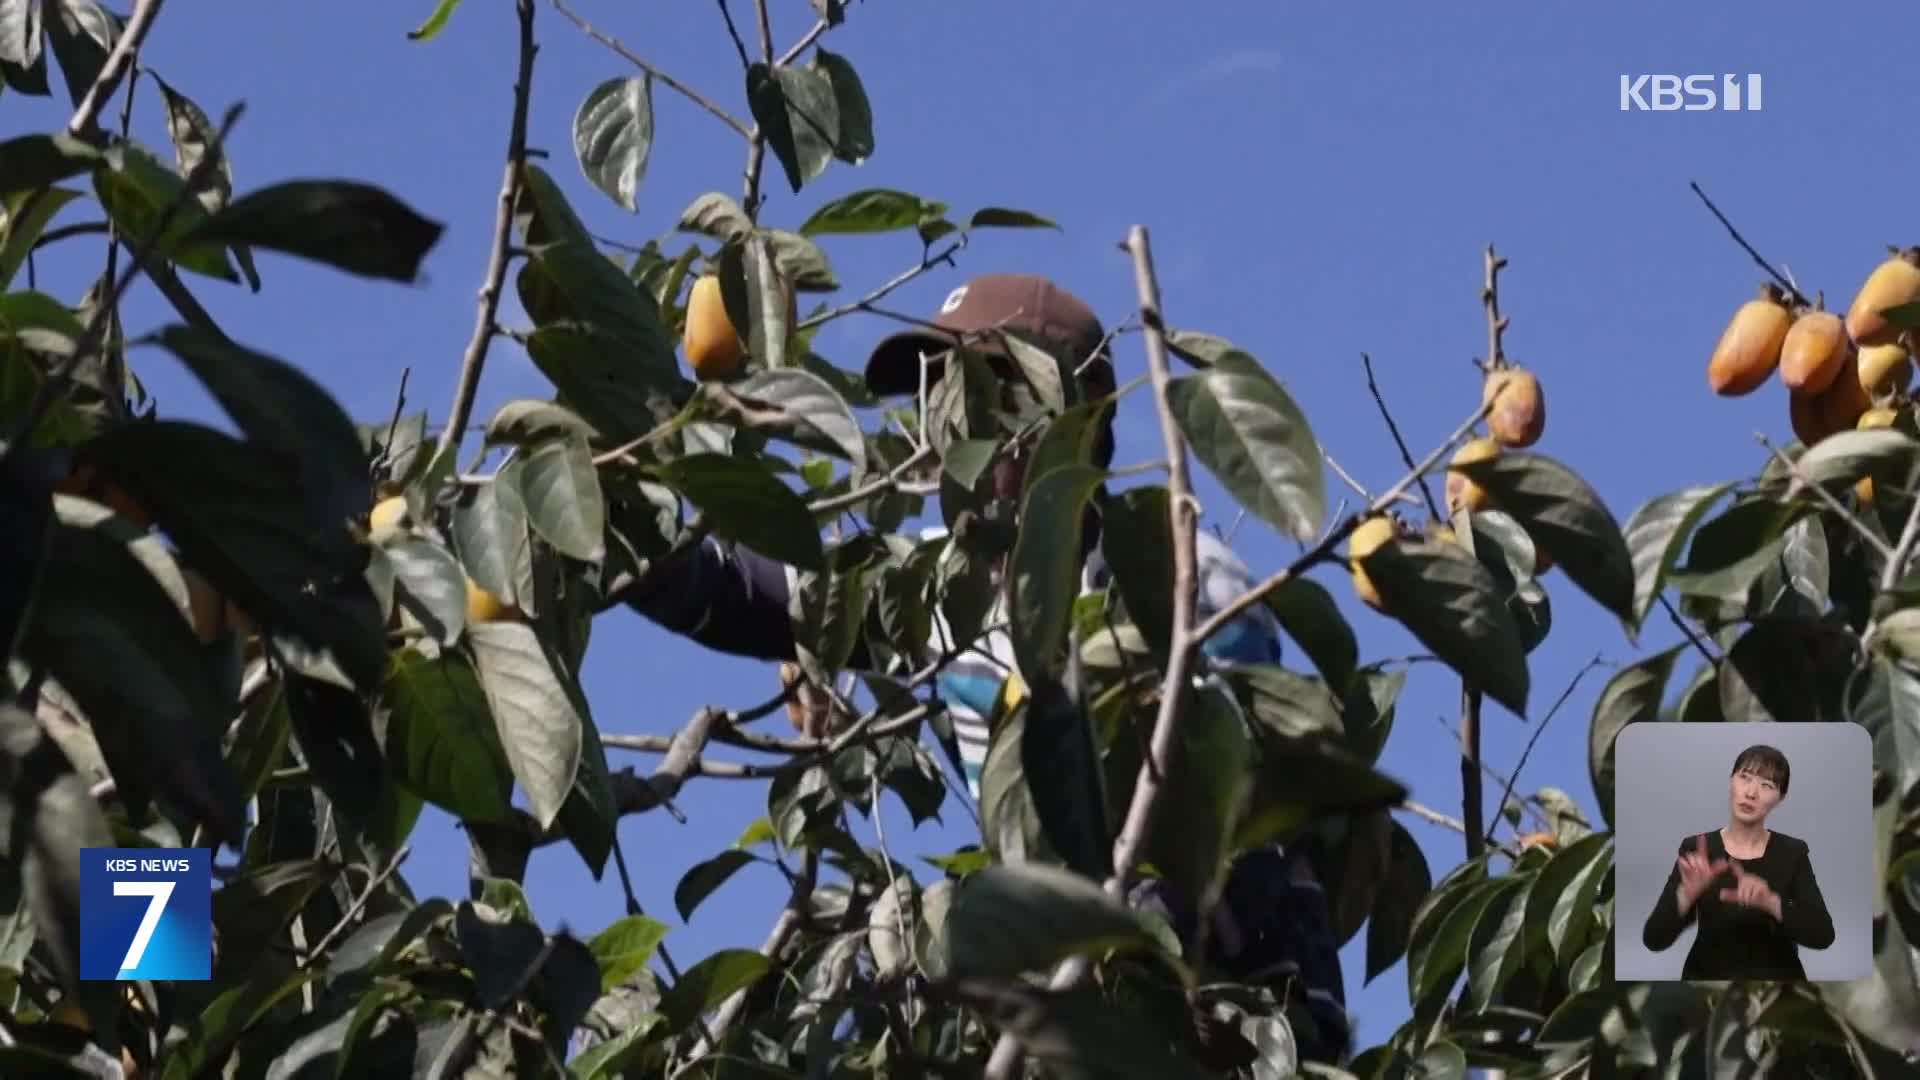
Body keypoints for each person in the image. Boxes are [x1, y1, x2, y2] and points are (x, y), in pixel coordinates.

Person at [603, 272, 1352, 1061]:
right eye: (934, 394)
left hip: (1242, 1022)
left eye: (982, 390)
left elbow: (1232, 829)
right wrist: (600, 516)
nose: (944, 423)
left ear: (1073, 410)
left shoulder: (1180, 578)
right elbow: (735, 588)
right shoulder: (938, 591)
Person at [1640, 744, 1835, 981]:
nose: (1751, 793)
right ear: (1731, 781)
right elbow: (1654, 939)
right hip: (1708, 988)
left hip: (1776, 992)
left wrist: (1772, 903)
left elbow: (1823, 935)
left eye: (1767, 785)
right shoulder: (1697, 849)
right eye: (1745, 778)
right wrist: (1685, 895)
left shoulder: (1793, 852)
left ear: (1780, 798)